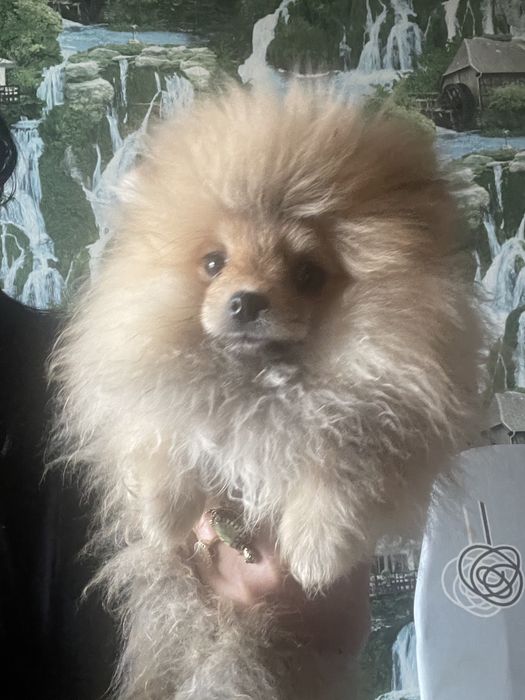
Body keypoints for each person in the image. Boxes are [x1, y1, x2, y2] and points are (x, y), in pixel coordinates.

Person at [0, 113, 371, 697]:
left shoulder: (75, 367)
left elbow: (329, 619)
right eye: (216, 263)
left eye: (302, 270)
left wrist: (283, 592)